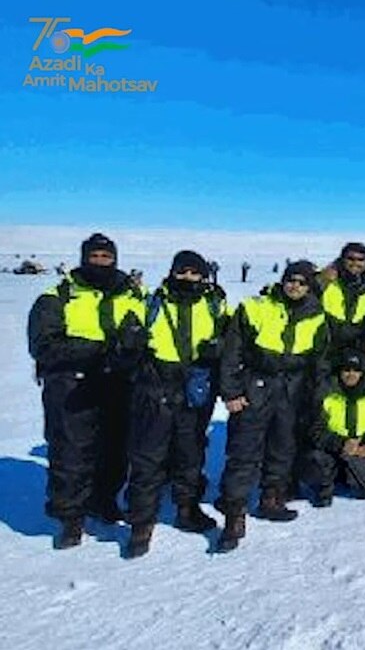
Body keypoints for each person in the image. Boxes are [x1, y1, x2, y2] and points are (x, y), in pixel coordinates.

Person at [27, 233, 146, 549]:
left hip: (118, 383)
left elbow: (146, 334)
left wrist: (131, 347)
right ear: (83, 258)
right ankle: (70, 517)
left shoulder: (133, 295)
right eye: (94, 257)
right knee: (71, 451)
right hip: (71, 383)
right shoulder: (58, 296)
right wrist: (96, 350)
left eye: (106, 258)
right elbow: (43, 345)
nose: (100, 263)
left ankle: (103, 499)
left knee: (115, 449)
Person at [214, 260, 330, 552]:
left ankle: (271, 498)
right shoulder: (256, 307)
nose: (295, 286)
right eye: (291, 280)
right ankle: (234, 513)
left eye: (302, 282)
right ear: (283, 281)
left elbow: (321, 362)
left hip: (292, 390)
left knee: (283, 448)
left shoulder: (317, 316)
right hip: (258, 385)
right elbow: (232, 352)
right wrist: (231, 391)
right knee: (243, 451)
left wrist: (316, 398)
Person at [124, 250, 229, 558]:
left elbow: (228, 338)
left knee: (191, 451)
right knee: (148, 455)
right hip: (157, 384)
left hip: (196, 384)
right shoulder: (150, 303)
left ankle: (187, 508)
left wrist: (217, 349)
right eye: (182, 272)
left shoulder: (215, 304)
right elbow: (129, 344)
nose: (188, 278)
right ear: (172, 272)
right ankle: (141, 523)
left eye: (194, 273)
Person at [302, 350, 365, 507]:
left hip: (361, 445)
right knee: (315, 468)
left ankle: (349, 472)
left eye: (356, 370)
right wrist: (340, 444)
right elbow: (314, 429)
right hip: (331, 446)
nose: (351, 374)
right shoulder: (326, 392)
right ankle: (327, 481)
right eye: (346, 370)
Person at [320, 242, 365, 371]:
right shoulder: (327, 280)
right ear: (342, 259)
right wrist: (321, 280)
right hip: (327, 349)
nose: (355, 263)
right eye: (350, 259)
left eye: (360, 259)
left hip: (356, 350)